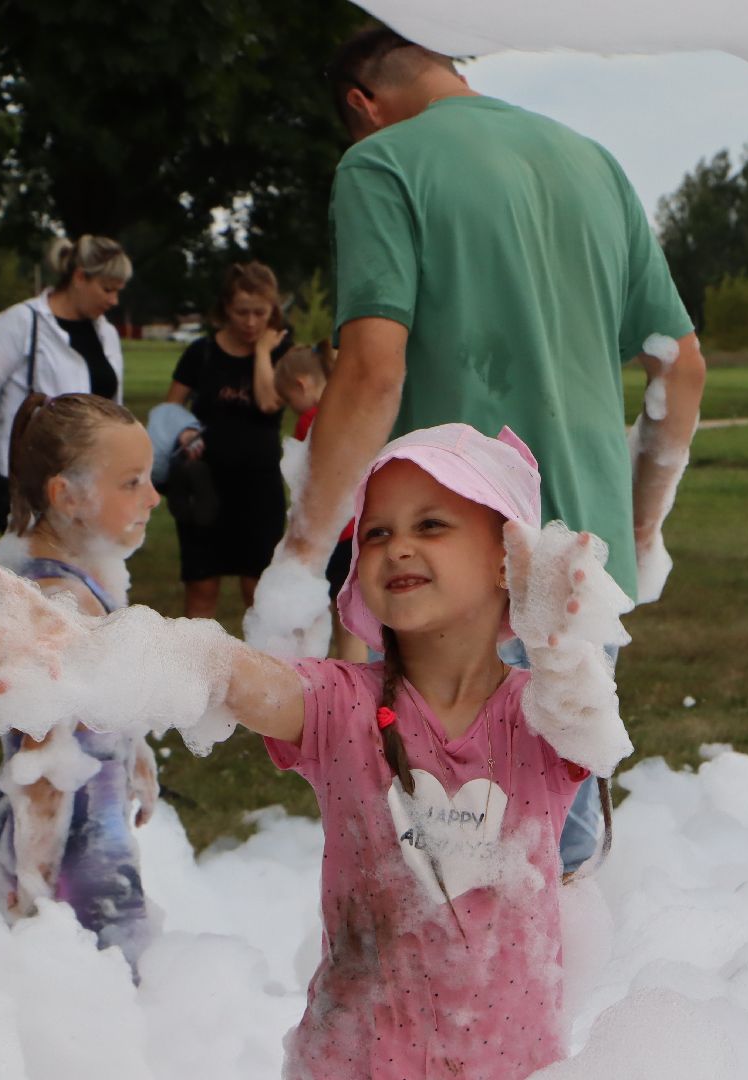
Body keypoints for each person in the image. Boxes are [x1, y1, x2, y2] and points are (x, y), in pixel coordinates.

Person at [0, 423, 633, 1079]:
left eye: (431, 525)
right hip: (350, 1058)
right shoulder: (342, 705)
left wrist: (560, 643)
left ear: (506, 559)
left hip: (512, 1064)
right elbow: (224, 672)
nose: (397, 546)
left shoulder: (535, 717)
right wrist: (86, 653)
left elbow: (584, 715)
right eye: (378, 531)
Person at [249, 26, 707, 871]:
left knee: (447, 896)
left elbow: (373, 372)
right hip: (583, 566)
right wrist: (642, 531)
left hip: (458, 575)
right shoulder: (592, 163)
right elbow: (679, 369)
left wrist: (301, 556)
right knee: (557, 884)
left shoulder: (381, 161)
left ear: (362, 102)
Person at [0, 392, 161, 971]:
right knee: (98, 994)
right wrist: (35, 887)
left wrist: (138, 756)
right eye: (132, 483)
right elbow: (43, 769)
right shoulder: (56, 603)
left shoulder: (68, 580)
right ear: (67, 496)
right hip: (77, 862)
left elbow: (93, 714)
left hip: (82, 840)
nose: (153, 497)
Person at [0, 236, 132, 524]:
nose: (113, 300)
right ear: (79, 277)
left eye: (118, 292)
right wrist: (16, 424)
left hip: (90, 476)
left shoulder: (107, 333)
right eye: (107, 289)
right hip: (31, 478)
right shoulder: (21, 321)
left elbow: (113, 405)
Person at [163, 262, 292, 617]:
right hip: (203, 485)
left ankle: (259, 669)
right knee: (202, 587)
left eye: (260, 313)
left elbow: (268, 402)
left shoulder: (281, 353)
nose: (250, 322)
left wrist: (263, 352)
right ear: (225, 308)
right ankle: (196, 671)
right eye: (241, 312)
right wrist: (183, 432)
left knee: (258, 590)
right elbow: (168, 412)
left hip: (259, 487)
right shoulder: (201, 353)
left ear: (273, 312)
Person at [276, 342, 368, 661]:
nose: (292, 409)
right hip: (355, 525)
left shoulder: (310, 419)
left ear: (302, 384)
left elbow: (310, 479)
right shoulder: (349, 409)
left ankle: (324, 683)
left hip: (329, 532)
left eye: (289, 401)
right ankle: (358, 685)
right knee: (351, 617)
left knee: (316, 613)